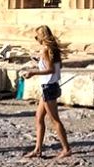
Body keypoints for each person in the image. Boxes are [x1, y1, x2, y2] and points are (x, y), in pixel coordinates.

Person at [22, 25, 72, 159]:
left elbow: (51, 70)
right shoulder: (53, 49)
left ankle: (66, 149)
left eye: (37, 35)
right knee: (38, 118)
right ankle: (38, 149)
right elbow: (57, 66)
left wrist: (33, 72)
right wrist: (39, 63)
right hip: (51, 86)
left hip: (48, 87)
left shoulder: (45, 50)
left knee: (55, 120)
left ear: (42, 36)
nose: (36, 38)